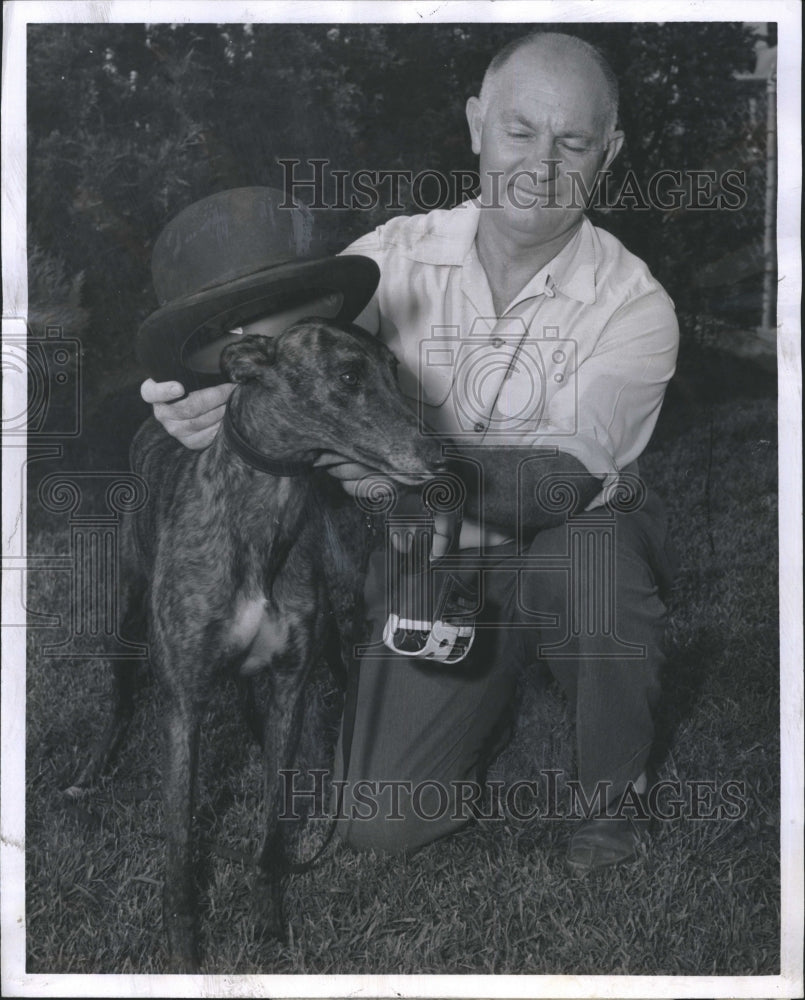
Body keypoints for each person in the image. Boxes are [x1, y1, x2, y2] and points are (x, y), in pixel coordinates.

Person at [141, 32, 679, 872]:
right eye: (518, 131)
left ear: (606, 155)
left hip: (569, 538)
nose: (539, 163)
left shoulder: (636, 306)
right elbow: (271, 364)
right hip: (435, 561)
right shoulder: (381, 262)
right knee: (383, 823)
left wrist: (400, 468)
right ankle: (485, 685)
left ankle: (613, 798)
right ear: (475, 125)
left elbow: (559, 485)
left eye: (572, 143)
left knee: (588, 569)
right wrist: (195, 405)